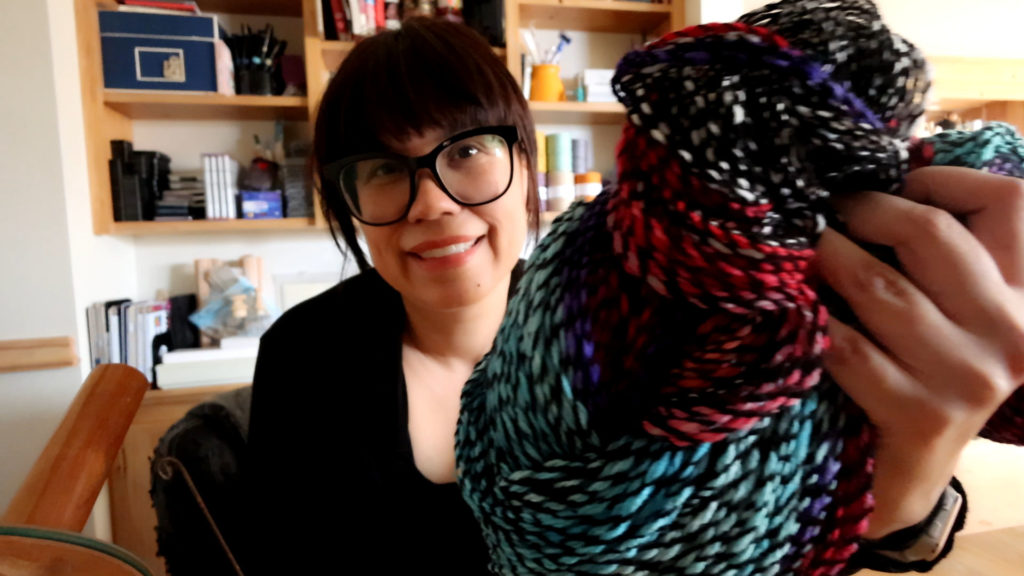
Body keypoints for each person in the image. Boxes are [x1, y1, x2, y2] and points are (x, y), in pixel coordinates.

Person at [245, 17, 1024, 573]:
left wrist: (901, 495)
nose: (432, 202)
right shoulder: (309, 358)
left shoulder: (650, 308)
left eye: (467, 150)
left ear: (523, 165)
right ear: (346, 202)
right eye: (382, 168)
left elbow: (901, 537)